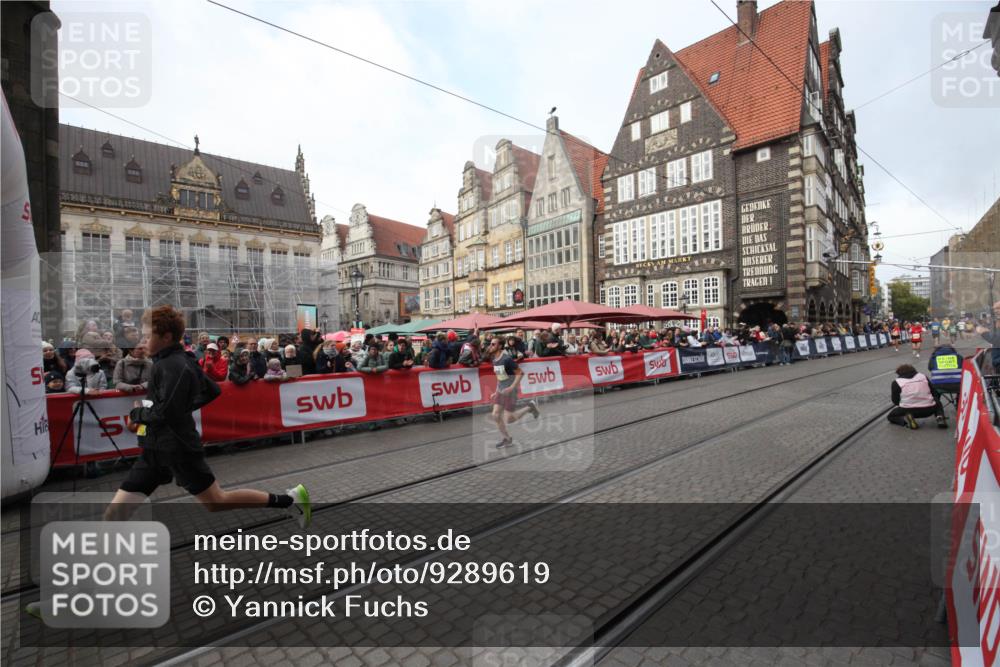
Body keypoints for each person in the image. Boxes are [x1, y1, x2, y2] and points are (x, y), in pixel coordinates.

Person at [106, 305, 310, 526]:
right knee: (115, 515)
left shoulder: (171, 365)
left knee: (216, 501)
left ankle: (290, 500)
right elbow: (209, 391)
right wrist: (170, 409)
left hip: (177, 449)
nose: (142, 341)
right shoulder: (172, 361)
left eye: (147, 336)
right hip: (155, 450)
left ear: (166, 337)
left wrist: (139, 414)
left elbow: (168, 411)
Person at [485, 336, 539, 448]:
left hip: (511, 390)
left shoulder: (507, 359)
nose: (490, 346)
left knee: (509, 419)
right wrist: (496, 391)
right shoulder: (494, 360)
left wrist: (512, 387)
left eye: (493, 344)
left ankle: (530, 407)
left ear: (500, 346)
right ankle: (507, 439)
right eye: (490, 344)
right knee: (495, 415)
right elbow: (500, 377)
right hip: (501, 390)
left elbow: (520, 373)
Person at [887, 363, 946, 429]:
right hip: (929, 410)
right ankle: (940, 417)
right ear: (914, 370)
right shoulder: (923, 376)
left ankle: (906, 420)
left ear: (899, 373)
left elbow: (895, 400)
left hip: (908, 410)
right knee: (938, 403)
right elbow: (934, 392)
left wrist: (903, 404)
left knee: (891, 416)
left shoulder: (896, 382)